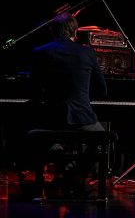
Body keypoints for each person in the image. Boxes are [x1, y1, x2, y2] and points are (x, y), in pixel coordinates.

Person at [30, 13, 107, 197]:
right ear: (75, 32)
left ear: (53, 31)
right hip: (82, 117)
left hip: (52, 118)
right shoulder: (87, 52)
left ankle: (63, 169)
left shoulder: (40, 52)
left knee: (41, 136)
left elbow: (34, 90)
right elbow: (103, 90)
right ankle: (74, 174)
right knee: (101, 139)